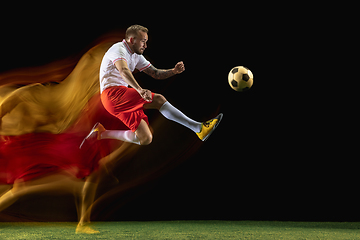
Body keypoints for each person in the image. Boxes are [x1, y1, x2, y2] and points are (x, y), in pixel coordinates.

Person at [80, 25, 222, 148]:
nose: (145, 45)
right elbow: (124, 71)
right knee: (159, 100)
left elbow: (155, 73)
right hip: (112, 95)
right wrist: (140, 90)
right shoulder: (119, 49)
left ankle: (102, 133)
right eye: (143, 41)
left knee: (145, 138)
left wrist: (173, 71)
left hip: (117, 100)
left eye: (146, 41)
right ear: (131, 40)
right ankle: (199, 128)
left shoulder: (136, 55)